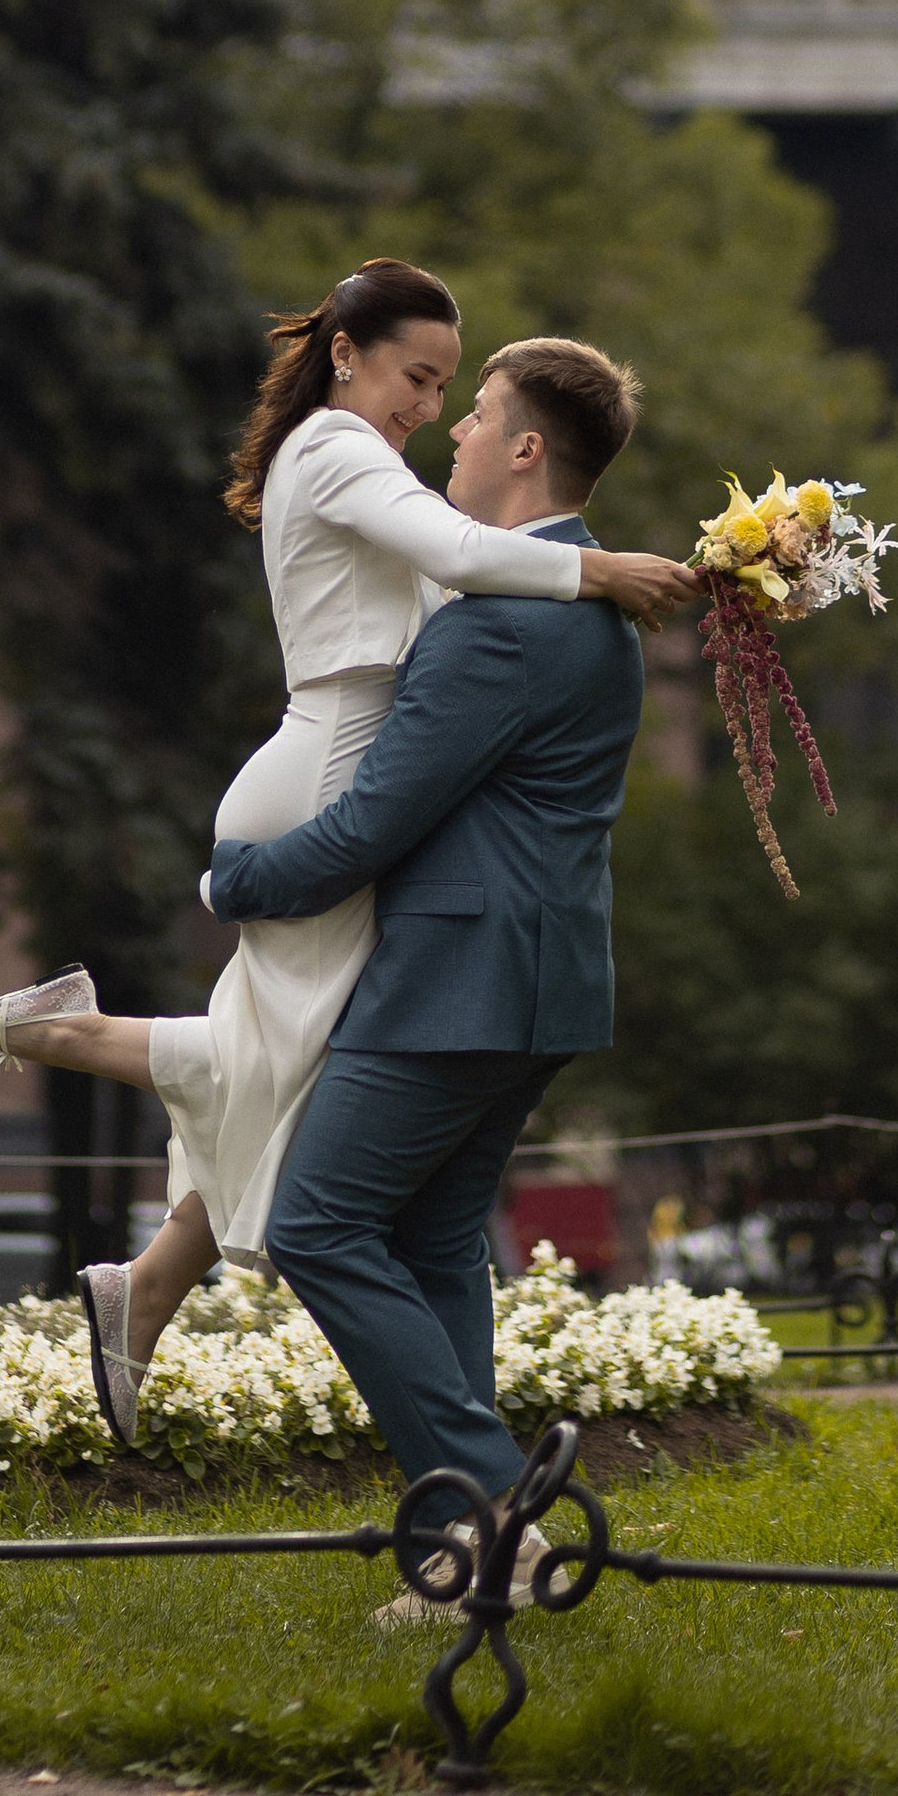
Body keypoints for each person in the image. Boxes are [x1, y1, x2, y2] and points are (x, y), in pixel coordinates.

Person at [0, 260, 694, 1442]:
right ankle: (79, 1081)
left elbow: (463, 568)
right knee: (285, 1075)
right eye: (419, 379)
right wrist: (597, 566)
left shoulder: (383, 480)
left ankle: (98, 1131)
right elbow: (461, 556)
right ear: (344, 353)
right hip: (321, 777)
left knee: (287, 1065)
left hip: (340, 784)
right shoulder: (337, 448)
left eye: (453, 393)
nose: (433, 412)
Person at [208, 332, 655, 1592]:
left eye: (478, 413)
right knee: (436, 1240)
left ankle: (497, 1507)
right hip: (540, 978)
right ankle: (462, 1549)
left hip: (458, 980)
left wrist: (232, 881)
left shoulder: (499, 625)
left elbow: (369, 826)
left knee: (318, 1226)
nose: (451, 428)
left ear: (524, 448)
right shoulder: (587, 604)